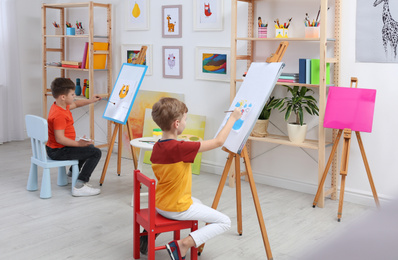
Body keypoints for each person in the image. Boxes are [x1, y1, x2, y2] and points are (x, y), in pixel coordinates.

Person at [148, 97, 242, 260]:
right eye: (185, 119)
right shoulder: (180, 148)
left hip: (160, 203)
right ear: (176, 124)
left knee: (197, 202)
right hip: (176, 207)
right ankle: (183, 244)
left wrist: (186, 144)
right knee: (224, 221)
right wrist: (233, 118)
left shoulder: (158, 145)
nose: (186, 122)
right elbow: (218, 141)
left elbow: (174, 151)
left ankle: (147, 237)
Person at [45, 77, 102, 197]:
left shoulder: (59, 106)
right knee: (95, 152)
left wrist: (91, 100)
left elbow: (76, 104)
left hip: (57, 148)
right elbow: (60, 138)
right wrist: (78, 144)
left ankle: (71, 175)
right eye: (72, 94)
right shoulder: (59, 115)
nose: (74, 96)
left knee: (88, 147)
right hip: (58, 151)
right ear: (63, 97)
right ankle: (80, 186)